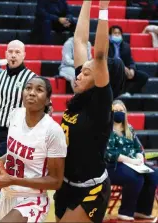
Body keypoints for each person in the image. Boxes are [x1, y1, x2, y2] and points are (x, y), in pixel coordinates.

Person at [54, 1, 124, 222]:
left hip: (91, 189)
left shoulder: (101, 102)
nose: (78, 75)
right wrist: (86, 1)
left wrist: (103, 8)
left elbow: (100, 55)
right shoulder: (82, 90)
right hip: (65, 184)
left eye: (85, 73)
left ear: (101, 79)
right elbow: (80, 40)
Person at [0, 76, 67, 223]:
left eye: (39, 90)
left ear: (47, 100)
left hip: (32, 200)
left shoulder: (53, 131)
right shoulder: (16, 115)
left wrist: (13, 180)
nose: (31, 93)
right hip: (6, 194)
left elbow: (56, 181)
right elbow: (14, 155)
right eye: (28, 88)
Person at [0, 39, 37, 223]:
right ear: (5, 54)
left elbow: (45, 109)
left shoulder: (32, 79)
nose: (13, 55)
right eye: (10, 51)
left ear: (24, 55)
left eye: (17, 52)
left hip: (15, 136)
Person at [105, 100, 158, 221]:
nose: (119, 113)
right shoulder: (107, 130)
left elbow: (138, 147)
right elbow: (110, 154)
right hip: (113, 166)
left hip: (133, 164)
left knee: (154, 175)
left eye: (121, 110)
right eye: (116, 110)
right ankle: (125, 212)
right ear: (111, 112)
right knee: (135, 177)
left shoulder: (129, 129)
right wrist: (130, 161)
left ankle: (142, 210)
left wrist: (139, 156)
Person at [108, 25, 149, 95]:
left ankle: (129, 93)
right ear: (110, 35)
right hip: (111, 71)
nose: (117, 35)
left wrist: (132, 70)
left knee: (144, 77)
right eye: (115, 33)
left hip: (125, 72)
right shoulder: (106, 45)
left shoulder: (126, 46)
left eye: (119, 33)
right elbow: (107, 60)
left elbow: (130, 60)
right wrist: (122, 67)